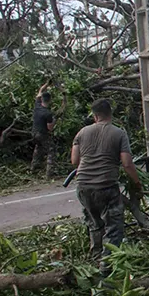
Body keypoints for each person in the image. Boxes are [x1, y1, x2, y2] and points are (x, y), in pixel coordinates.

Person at [70, 98, 142, 274]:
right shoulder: (119, 133)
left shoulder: (81, 133)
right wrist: (137, 183)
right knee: (114, 228)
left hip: (83, 186)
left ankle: (95, 261)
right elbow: (127, 163)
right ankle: (106, 267)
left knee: (94, 223)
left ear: (95, 116)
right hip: (106, 186)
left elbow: (74, 161)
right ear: (111, 114)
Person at [31, 81, 56, 179]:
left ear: (41, 99)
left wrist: (46, 83)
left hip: (33, 132)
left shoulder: (37, 106)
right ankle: (49, 174)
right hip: (42, 134)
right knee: (51, 150)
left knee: (38, 148)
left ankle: (33, 169)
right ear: (49, 100)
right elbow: (50, 128)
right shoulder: (48, 113)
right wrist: (54, 120)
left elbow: (40, 90)